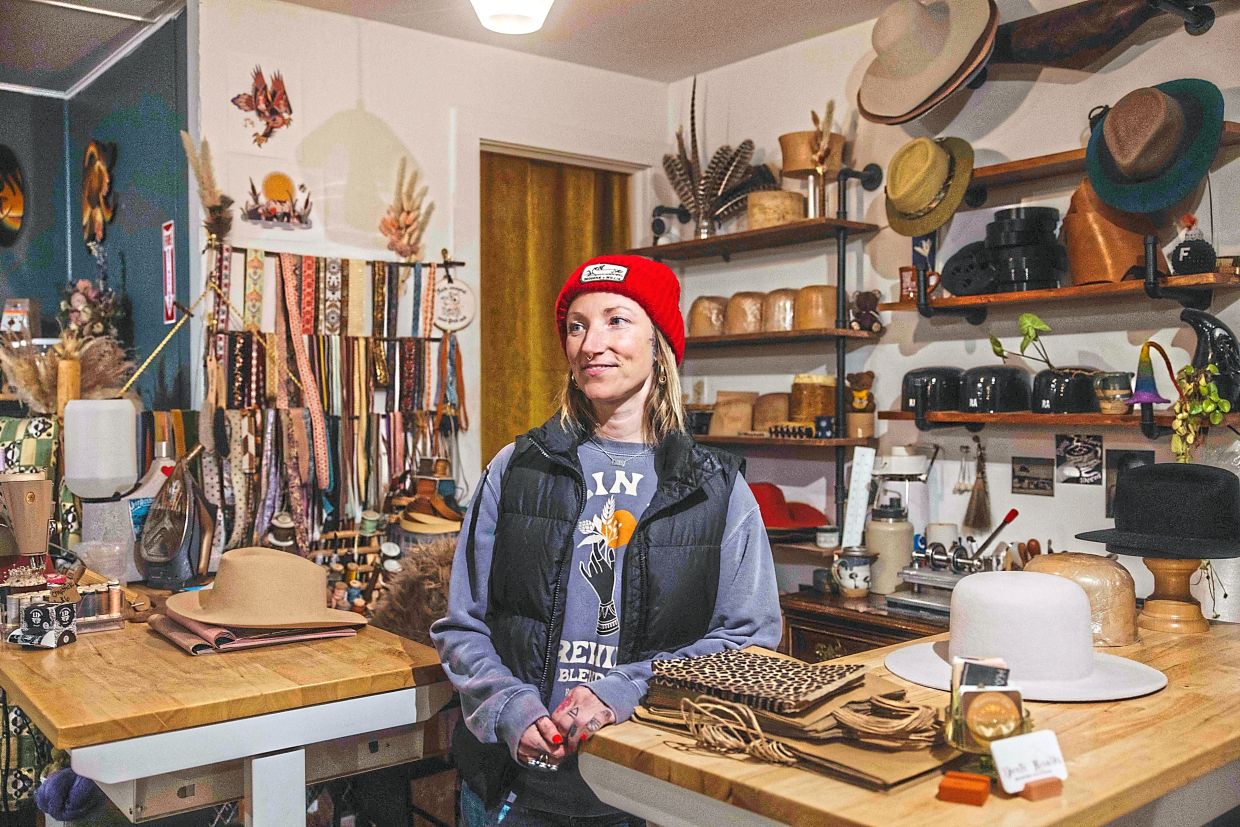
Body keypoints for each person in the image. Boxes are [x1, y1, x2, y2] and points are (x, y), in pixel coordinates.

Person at [431, 255, 782, 826]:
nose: (592, 342)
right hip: (513, 794)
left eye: (617, 320)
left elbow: (749, 639)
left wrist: (625, 689)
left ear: (659, 344)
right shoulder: (517, 468)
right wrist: (509, 707)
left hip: (647, 797)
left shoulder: (717, 490)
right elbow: (462, 625)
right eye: (576, 325)